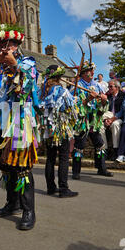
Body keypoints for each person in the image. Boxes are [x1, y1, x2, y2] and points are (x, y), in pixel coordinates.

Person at [0, 0, 40, 231]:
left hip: (18, 123)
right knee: (6, 166)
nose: (5, 49)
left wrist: (13, 64)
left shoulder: (28, 64)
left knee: (22, 167)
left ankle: (28, 211)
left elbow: (28, 85)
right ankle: (11, 203)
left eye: (9, 45)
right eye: (1, 46)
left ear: (17, 45)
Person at [39, 65, 79, 198]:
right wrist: (75, 101)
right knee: (63, 157)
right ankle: (63, 189)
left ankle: (50, 187)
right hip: (60, 127)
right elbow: (72, 109)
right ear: (59, 77)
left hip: (48, 128)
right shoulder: (62, 91)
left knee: (50, 158)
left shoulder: (43, 91)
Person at [71, 57, 113, 180]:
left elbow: (102, 106)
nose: (92, 72)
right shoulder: (76, 86)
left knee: (100, 145)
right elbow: (74, 105)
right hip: (83, 120)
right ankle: (76, 171)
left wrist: (104, 102)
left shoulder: (97, 86)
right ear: (83, 73)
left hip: (94, 120)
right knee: (79, 146)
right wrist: (87, 99)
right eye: (89, 71)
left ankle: (101, 168)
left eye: (92, 70)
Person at [100, 80, 125, 160]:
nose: (109, 88)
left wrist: (112, 119)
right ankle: (104, 149)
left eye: (111, 86)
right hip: (108, 117)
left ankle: (116, 150)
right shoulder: (108, 96)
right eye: (108, 86)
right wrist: (105, 120)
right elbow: (105, 110)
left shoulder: (124, 96)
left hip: (119, 118)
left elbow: (122, 111)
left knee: (115, 125)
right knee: (100, 126)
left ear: (117, 87)